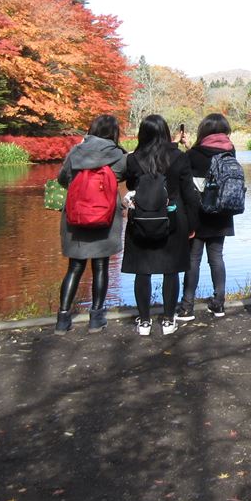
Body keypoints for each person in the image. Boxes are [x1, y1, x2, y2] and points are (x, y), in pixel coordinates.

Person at [121, 114, 199, 336]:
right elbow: (189, 194)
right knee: (170, 270)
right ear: (165, 132)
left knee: (142, 271)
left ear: (142, 134)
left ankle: (144, 323)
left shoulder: (133, 159)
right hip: (173, 219)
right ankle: (168, 320)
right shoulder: (179, 157)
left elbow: (131, 185)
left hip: (142, 219)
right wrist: (192, 224)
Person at [54, 114, 127, 334]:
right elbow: (124, 176)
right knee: (101, 266)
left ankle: (62, 320)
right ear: (114, 132)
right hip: (105, 218)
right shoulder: (117, 155)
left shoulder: (76, 151)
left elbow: (62, 178)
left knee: (75, 267)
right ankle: (96, 319)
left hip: (76, 217)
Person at [175, 113, 238, 322]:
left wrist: (188, 147)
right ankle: (219, 303)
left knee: (193, 259)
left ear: (204, 130)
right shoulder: (230, 151)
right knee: (216, 257)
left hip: (198, 214)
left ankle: (187, 307)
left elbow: (188, 178)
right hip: (222, 212)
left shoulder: (193, 154)